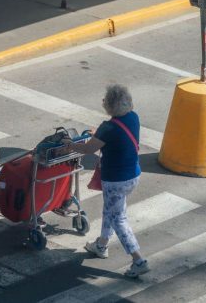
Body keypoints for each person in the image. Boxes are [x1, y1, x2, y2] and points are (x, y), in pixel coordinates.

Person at [61, 84, 149, 278]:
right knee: (111, 209)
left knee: (119, 218)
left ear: (108, 105)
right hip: (133, 175)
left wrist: (70, 146)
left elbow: (87, 150)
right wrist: (98, 135)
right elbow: (115, 137)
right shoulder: (133, 118)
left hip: (115, 180)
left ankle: (138, 260)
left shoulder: (108, 128)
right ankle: (101, 244)